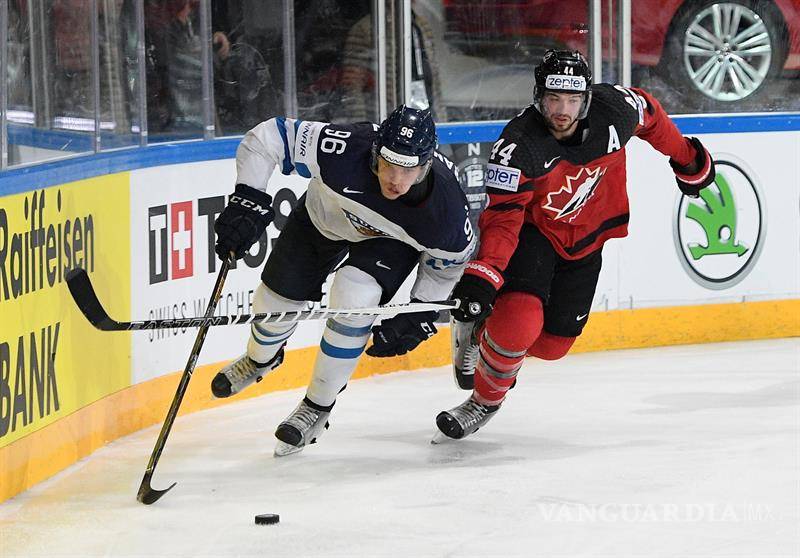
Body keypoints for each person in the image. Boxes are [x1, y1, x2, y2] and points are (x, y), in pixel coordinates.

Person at [435, 50, 716, 441]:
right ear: (539, 96)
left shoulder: (614, 111)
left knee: (553, 347)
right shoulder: (517, 146)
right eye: (553, 99)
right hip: (536, 234)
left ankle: (482, 334)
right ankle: (483, 401)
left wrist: (687, 159)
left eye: (572, 99)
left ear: (586, 98)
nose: (562, 110)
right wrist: (485, 275)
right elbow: (502, 219)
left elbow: (650, 114)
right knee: (519, 322)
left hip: (587, 237)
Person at [211, 105, 475, 456]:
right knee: (272, 303)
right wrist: (249, 197)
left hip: (388, 243)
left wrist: (420, 312)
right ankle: (260, 359)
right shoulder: (346, 146)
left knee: (354, 296)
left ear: (425, 166)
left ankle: (316, 407)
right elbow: (267, 137)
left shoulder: (446, 210)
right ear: (375, 152)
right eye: (388, 165)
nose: (395, 180)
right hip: (322, 219)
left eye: (407, 170)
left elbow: (448, 266)